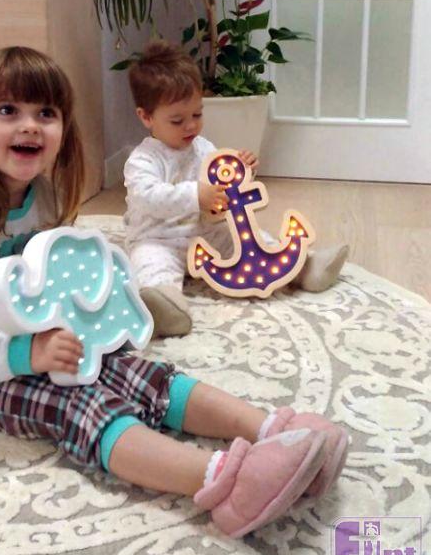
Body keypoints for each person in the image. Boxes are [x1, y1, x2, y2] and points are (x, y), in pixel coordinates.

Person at [0, 46, 348, 539]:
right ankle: (223, 481)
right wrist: (25, 353)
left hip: (53, 331)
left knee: (140, 373)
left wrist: (95, 317)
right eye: (8, 110)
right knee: (84, 404)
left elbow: (60, 277)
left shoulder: (46, 196)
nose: (30, 126)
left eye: (47, 113)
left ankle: (274, 429)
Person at [124, 40, 349, 338]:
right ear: (146, 117)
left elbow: (224, 183)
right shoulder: (142, 160)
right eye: (177, 120)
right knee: (150, 265)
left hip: (206, 232)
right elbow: (147, 197)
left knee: (250, 239)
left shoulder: (203, 148)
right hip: (159, 237)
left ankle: (306, 266)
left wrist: (243, 170)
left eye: (197, 115)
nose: (191, 126)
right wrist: (196, 195)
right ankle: (166, 307)